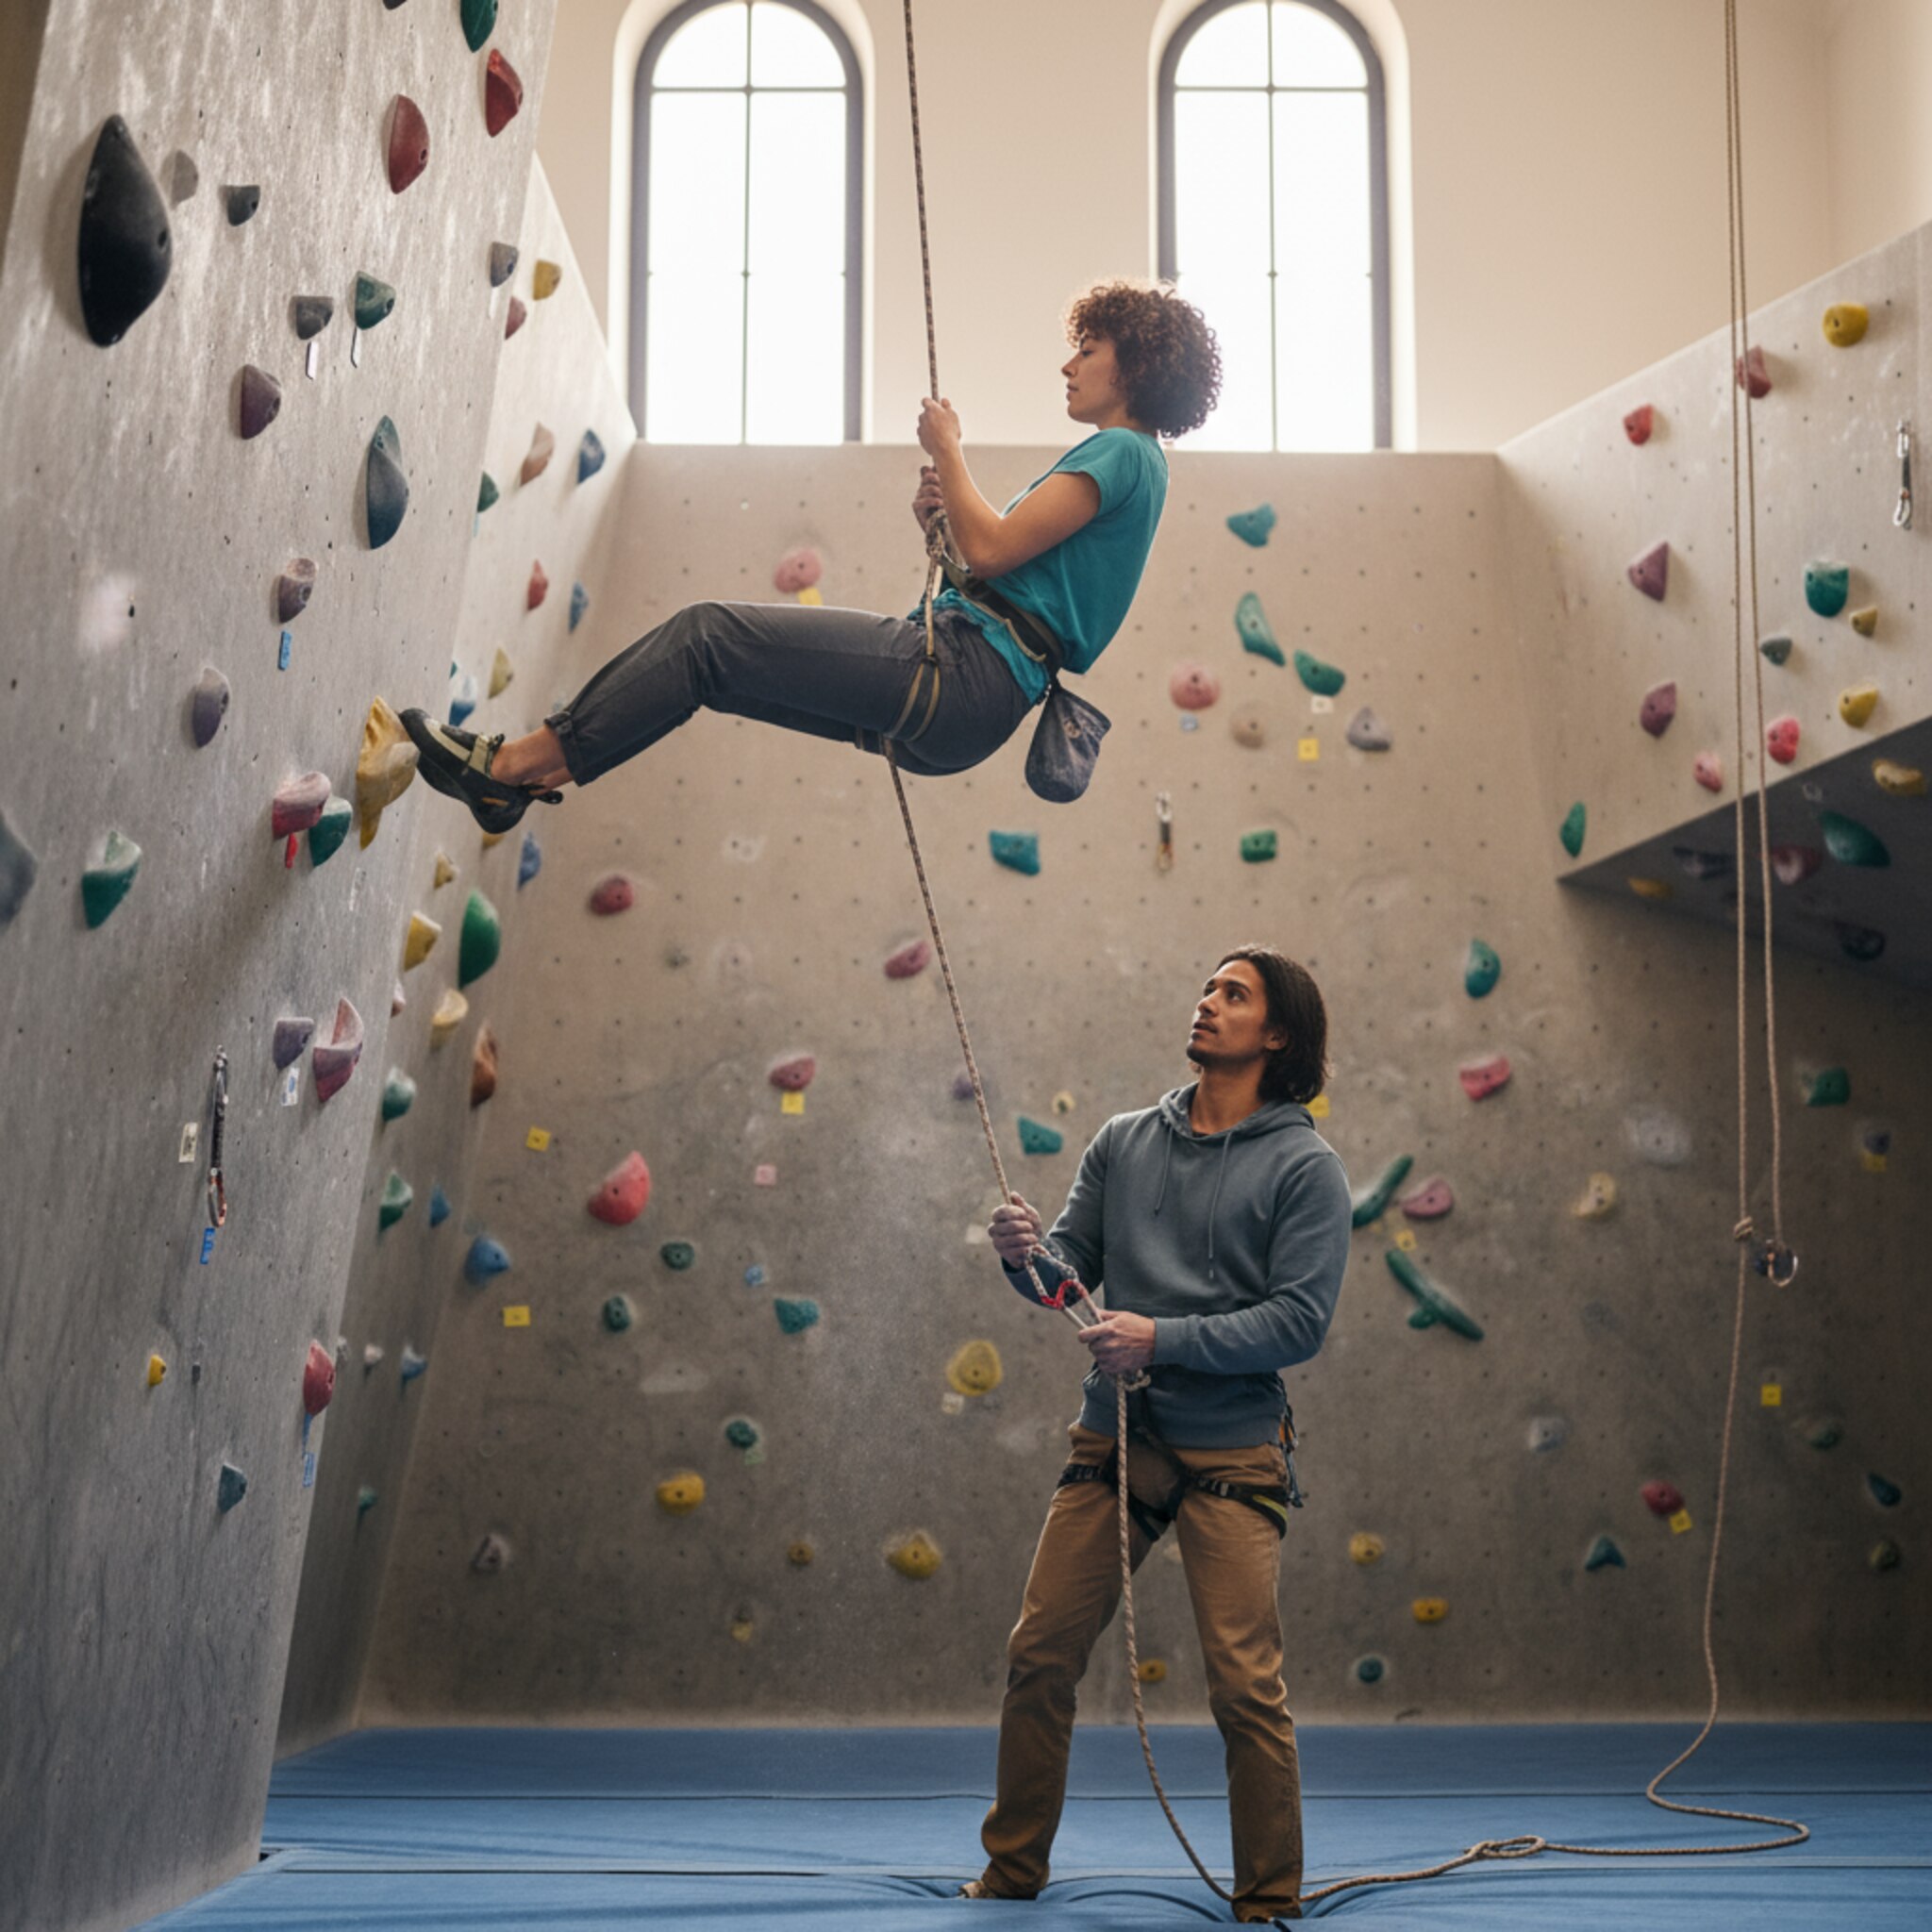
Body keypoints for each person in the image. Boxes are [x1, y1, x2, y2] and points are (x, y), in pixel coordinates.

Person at [397, 280, 1221, 830]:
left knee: (707, 635)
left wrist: (951, 449)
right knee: (711, 669)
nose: (1069, 364)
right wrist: (940, 528)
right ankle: (529, 780)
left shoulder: (1124, 452)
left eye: (1090, 350)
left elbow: (995, 547)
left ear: (1137, 363)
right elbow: (996, 566)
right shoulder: (1137, 468)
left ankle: (508, 766)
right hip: (975, 705)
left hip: (966, 677)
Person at [965, 946, 1353, 1924]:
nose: (1205, 1002)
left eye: (1233, 993)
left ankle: (1266, 1896)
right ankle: (1010, 1871)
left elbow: (1298, 1322)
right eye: (1206, 987)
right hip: (1117, 1435)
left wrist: (1160, 1336)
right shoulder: (1123, 1138)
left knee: (1241, 1682)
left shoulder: (1304, 1165)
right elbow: (1067, 1278)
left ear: (1275, 1034)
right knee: (1039, 1650)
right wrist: (1023, 1259)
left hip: (1232, 1446)